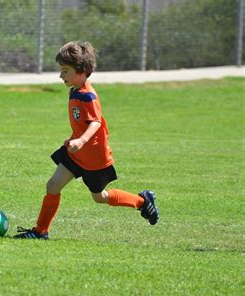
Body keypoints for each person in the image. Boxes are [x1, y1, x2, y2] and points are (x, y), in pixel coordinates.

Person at [14, 41, 159, 240]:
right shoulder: (75, 90)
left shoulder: (88, 96)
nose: (60, 76)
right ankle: (40, 231)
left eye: (65, 71)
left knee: (100, 197)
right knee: (52, 186)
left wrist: (81, 141)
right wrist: (74, 139)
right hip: (76, 153)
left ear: (82, 72)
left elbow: (95, 123)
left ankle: (142, 202)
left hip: (93, 157)